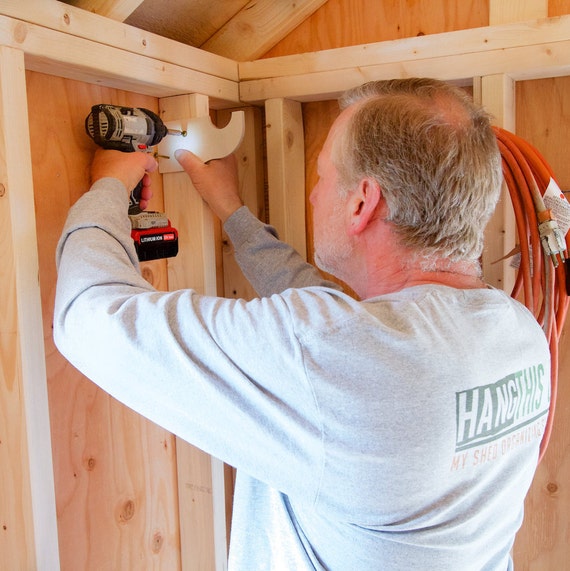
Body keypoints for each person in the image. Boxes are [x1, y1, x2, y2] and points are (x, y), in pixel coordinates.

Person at [54, 78, 550, 570]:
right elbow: (346, 326)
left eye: (321, 177)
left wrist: (108, 186)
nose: (314, 197)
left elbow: (87, 317)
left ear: (362, 202)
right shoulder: (517, 333)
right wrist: (233, 212)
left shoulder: (344, 354)